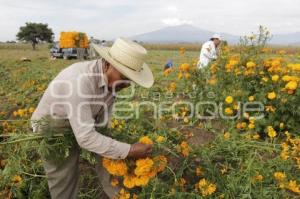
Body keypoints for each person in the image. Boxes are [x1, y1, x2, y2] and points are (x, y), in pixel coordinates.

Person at [31, 38, 154, 199]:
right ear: (108, 64)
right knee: (64, 176)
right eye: (124, 76)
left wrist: (118, 150)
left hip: (85, 122)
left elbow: (101, 124)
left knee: (110, 158)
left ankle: (119, 195)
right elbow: (86, 138)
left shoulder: (113, 82)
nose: (126, 84)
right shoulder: (79, 81)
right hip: (52, 128)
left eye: (130, 80)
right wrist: (129, 150)